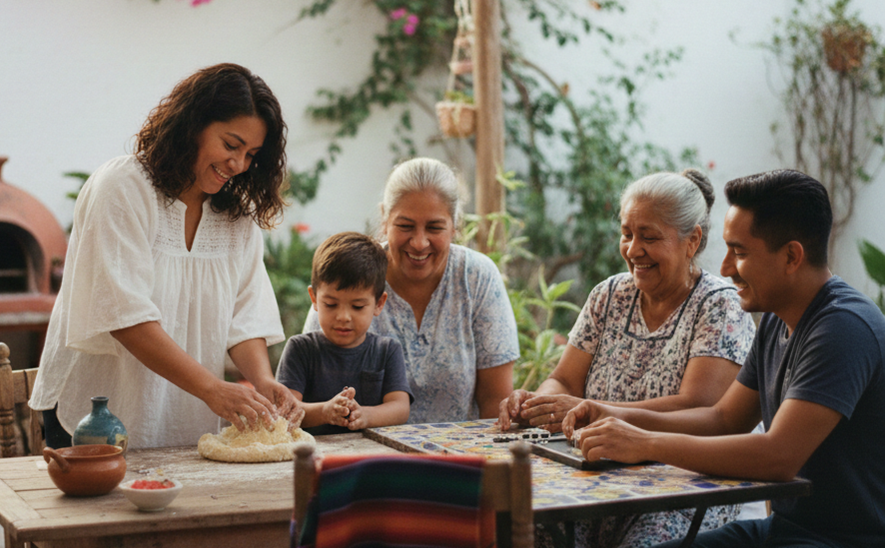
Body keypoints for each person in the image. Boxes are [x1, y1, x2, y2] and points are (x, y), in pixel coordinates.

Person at [565, 170, 885, 548]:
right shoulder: (777, 320)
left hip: (845, 540)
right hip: (783, 530)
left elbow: (778, 456)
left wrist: (646, 443)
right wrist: (610, 414)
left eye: (740, 252)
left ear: (791, 256)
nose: (725, 268)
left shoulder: (844, 327)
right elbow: (723, 419)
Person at [29, 63, 302, 449]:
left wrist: (263, 380)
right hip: (91, 416)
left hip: (184, 416)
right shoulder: (123, 188)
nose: (239, 165)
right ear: (193, 126)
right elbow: (125, 316)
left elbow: (245, 318)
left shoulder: (236, 218)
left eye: (251, 154)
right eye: (231, 145)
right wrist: (212, 388)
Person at [497, 169, 756, 547]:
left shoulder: (719, 306)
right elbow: (565, 380)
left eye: (649, 237)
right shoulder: (609, 295)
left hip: (678, 489)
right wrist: (539, 403)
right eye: (627, 234)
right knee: (518, 531)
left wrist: (597, 411)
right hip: (592, 482)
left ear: (692, 241)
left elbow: (699, 406)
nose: (633, 250)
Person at [303, 157, 519, 423]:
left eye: (434, 227)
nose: (419, 242)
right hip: (357, 448)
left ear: (455, 225)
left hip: (458, 448)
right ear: (385, 219)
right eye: (405, 226)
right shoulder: (351, 272)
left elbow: (495, 401)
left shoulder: (477, 278)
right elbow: (306, 380)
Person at [276, 232, 412, 435]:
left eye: (357, 307)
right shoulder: (301, 349)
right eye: (331, 304)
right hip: (312, 451)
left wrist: (365, 415)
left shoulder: (387, 350)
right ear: (314, 298)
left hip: (370, 452)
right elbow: (285, 412)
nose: (343, 317)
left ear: (378, 303)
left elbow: (400, 408)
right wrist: (324, 412)